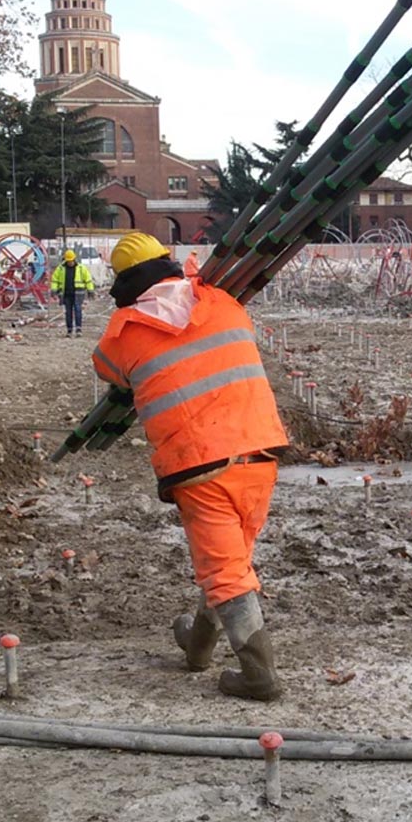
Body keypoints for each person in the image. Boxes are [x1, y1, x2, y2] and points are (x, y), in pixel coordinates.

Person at [91, 231, 290, 701]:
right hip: (260, 452)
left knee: (226, 571)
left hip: (199, 466)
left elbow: (106, 368)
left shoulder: (123, 334)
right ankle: (198, 645)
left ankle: (259, 675)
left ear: (124, 286)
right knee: (230, 562)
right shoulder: (223, 301)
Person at [48, 248, 96, 337]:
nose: (70, 263)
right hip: (66, 294)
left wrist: (90, 290)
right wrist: (54, 290)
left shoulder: (81, 268)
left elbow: (88, 280)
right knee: (68, 312)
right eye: (68, 261)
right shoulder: (61, 269)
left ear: (74, 259)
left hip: (78, 294)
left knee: (78, 310)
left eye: (71, 261)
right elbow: (55, 280)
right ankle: (69, 330)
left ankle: (78, 329)